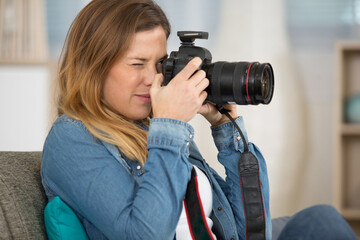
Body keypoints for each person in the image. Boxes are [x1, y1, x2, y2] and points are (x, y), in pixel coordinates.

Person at [41, 0, 357, 239]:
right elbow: (145, 233)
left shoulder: (157, 127)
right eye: (137, 63)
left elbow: (250, 230)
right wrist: (170, 128)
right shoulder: (73, 137)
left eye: (160, 64)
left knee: (319, 220)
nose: (153, 79)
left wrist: (226, 131)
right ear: (94, 67)